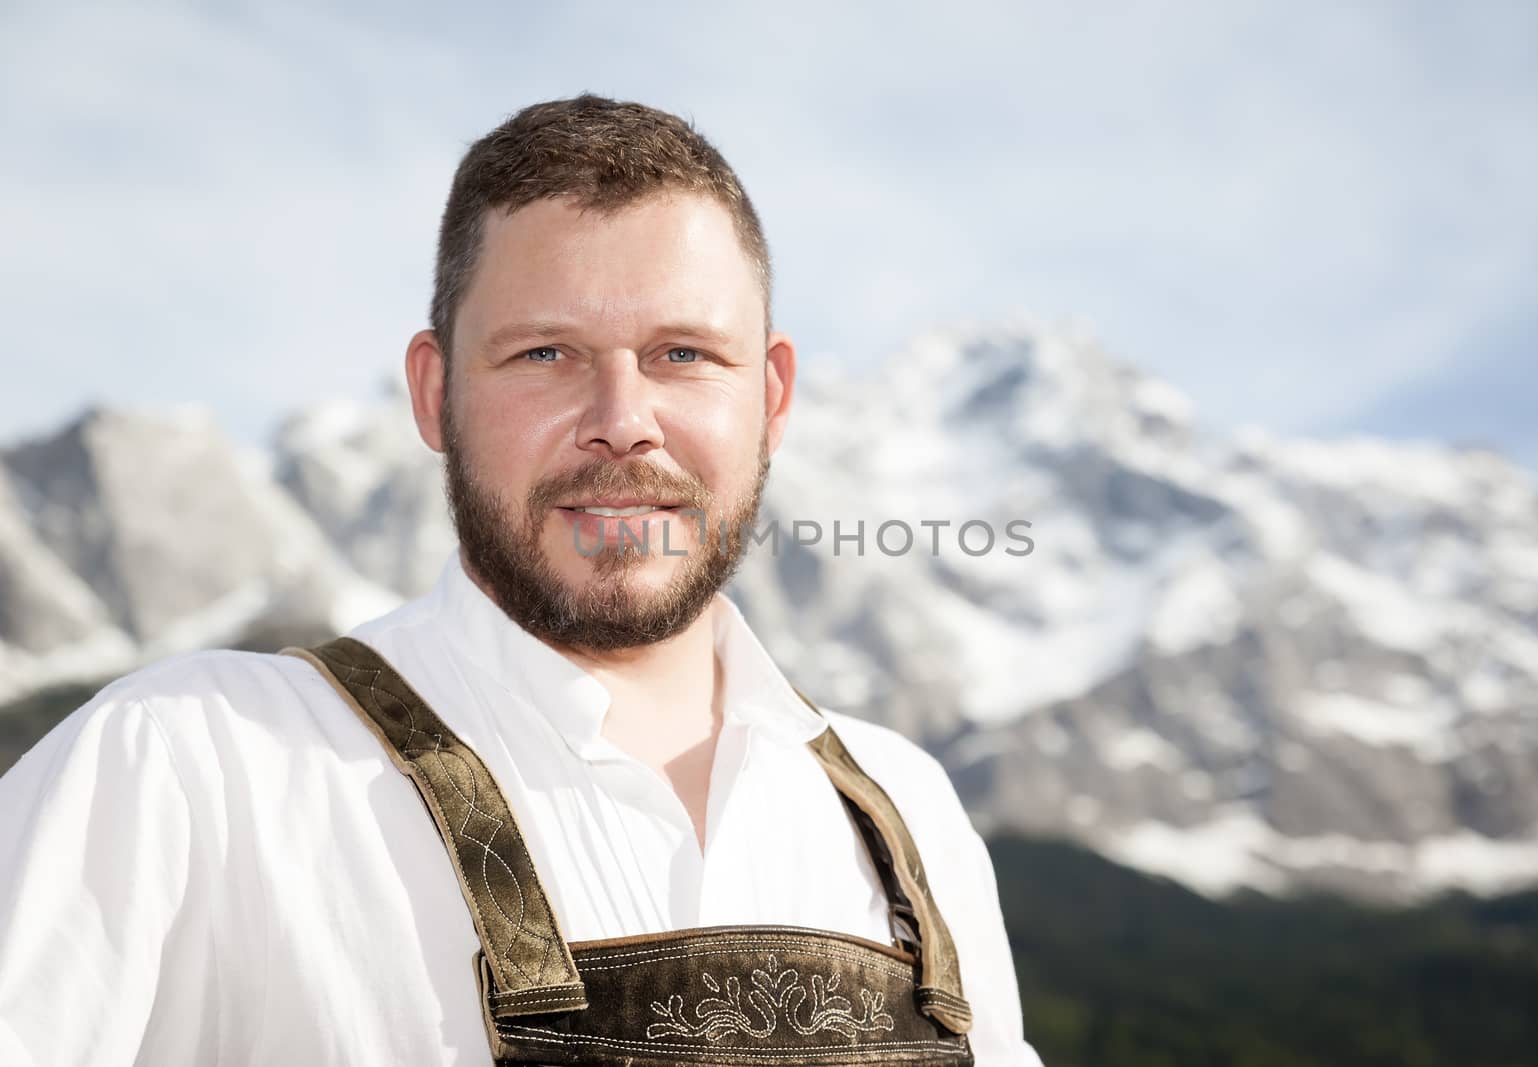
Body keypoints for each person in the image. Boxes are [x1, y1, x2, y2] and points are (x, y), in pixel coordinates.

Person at [0, 94, 1042, 1065]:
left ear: (770, 398)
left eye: (682, 353)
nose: (623, 418)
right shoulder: (184, 764)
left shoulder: (908, 812)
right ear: (434, 390)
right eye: (545, 352)